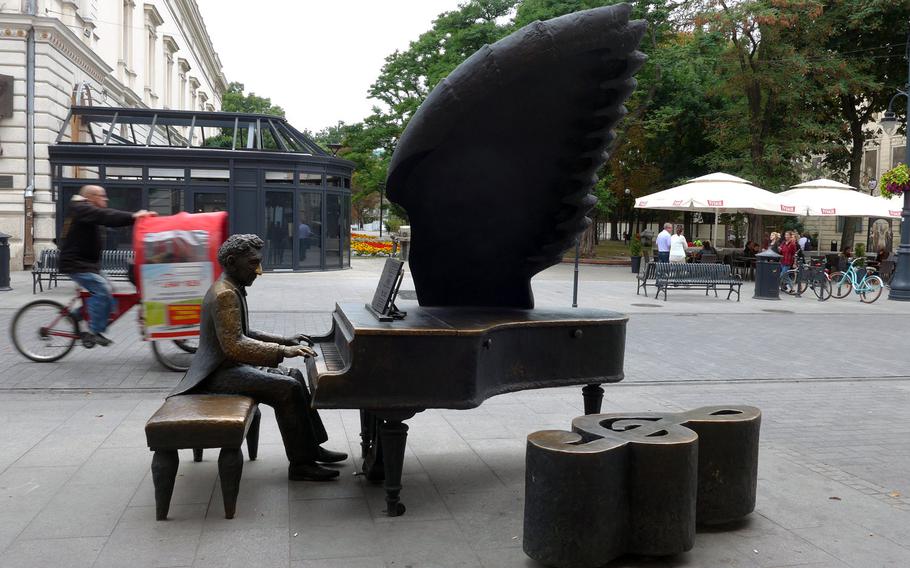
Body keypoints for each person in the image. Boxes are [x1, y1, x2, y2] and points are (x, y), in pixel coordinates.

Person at [169, 234, 347, 481]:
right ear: (232, 262)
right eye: (253, 263)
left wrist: (285, 340)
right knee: (287, 388)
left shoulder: (231, 287)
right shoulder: (225, 295)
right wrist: (282, 352)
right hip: (216, 374)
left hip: (228, 367)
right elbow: (236, 346)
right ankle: (301, 464)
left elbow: (244, 332)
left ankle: (310, 447)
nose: (259, 270)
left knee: (294, 375)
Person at [59, 185, 156, 346]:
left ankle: (75, 316)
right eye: (102, 196)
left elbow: (106, 217)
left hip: (87, 264)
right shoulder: (82, 209)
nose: (106, 199)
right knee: (102, 290)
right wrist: (134, 216)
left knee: (107, 292)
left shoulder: (85, 210)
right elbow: (106, 216)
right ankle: (95, 332)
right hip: (76, 264)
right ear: (90, 197)